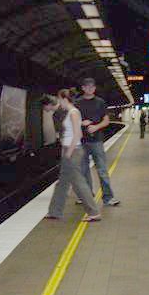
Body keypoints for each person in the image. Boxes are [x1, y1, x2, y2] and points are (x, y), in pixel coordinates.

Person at [45, 90, 101, 222]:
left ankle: (94, 212)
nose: (59, 103)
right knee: (62, 183)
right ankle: (55, 211)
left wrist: (68, 152)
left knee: (78, 182)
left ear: (65, 99)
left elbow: (78, 134)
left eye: (60, 99)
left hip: (73, 151)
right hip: (68, 149)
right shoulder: (70, 113)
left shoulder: (74, 112)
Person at [76, 77, 120, 206]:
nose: (90, 88)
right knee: (83, 170)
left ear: (94, 88)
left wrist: (96, 126)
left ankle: (108, 198)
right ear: (83, 88)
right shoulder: (77, 103)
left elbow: (106, 121)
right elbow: (72, 120)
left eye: (92, 86)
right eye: (87, 86)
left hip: (97, 141)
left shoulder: (100, 102)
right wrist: (81, 123)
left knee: (102, 170)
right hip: (82, 141)